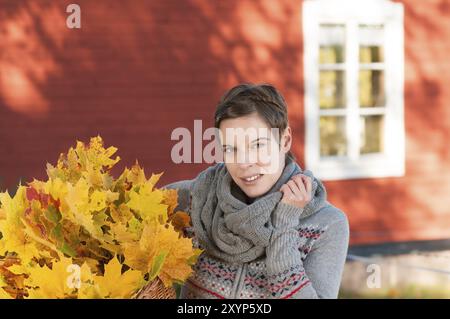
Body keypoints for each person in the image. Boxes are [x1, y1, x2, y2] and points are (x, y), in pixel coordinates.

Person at [164, 83, 349, 299]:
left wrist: (283, 227)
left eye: (258, 145)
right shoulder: (198, 198)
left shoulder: (327, 224)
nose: (244, 162)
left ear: (285, 140)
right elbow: (128, 218)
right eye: (231, 149)